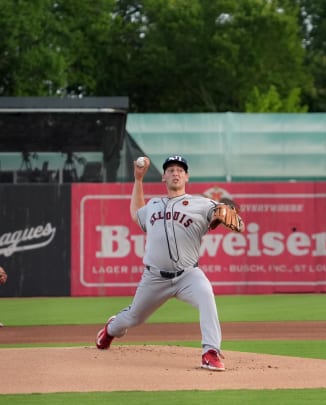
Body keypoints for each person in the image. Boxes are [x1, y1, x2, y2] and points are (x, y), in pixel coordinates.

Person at [95, 155, 245, 372]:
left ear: (187, 177)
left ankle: (210, 352)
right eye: (171, 169)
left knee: (206, 295)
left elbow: (234, 222)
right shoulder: (154, 204)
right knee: (132, 318)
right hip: (154, 277)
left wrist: (229, 218)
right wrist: (138, 180)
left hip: (188, 275)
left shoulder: (202, 204)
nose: (175, 172)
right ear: (163, 177)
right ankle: (110, 329)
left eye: (180, 170)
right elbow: (137, 215)